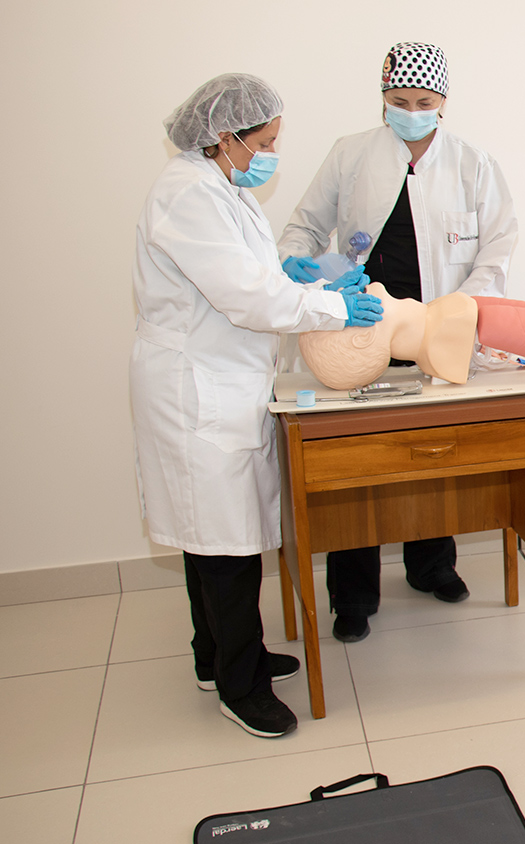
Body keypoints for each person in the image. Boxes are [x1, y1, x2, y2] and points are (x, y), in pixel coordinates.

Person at [131, 73, 384, 738]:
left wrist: (292, 272)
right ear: (225, 137)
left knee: (211, 534)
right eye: (265, 142)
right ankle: (240, 687)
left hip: (222, 377)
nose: (271, 153)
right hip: (197, 387)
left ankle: (215, 658)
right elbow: (244, 296)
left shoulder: (218, 188)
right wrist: (332, 305)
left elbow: (251, 273)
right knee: (224, 540)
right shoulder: (188, 194)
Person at [278, 42, 520, 644]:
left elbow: (500, 241)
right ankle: (353, 597)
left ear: (443, 103)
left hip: (438, 329)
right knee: (357, 462)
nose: (410, 111)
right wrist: (295, 262)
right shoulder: (350, 154)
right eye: (398, 101)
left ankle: (432, 567)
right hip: (363, 324)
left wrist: (463, 306)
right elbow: (305, 224)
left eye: (423, 102)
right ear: (382, 99)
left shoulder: (472, 162)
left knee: (434, 451)